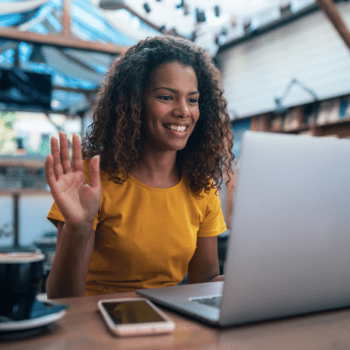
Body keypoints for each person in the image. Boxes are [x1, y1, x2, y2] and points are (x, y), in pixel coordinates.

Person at [45, 36, 235, 299]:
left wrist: (253, 277)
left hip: (168, 326)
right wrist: (78, 228)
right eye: (167, 97)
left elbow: (205, 283)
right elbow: (62, 298)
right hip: (97, 326)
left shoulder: (201, 187)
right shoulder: (92, 179)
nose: (183, 111)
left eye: (192, 100)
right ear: (135, 103)